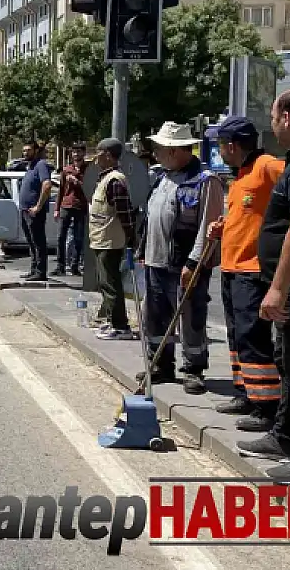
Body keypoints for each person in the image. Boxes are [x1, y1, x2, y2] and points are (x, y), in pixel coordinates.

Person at [237, 87, 290, 479]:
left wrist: (279, 287)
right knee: (289, 362)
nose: (272, 126)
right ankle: (285, 435)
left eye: (273, 117)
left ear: (287, 117)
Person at [204, 116, 285, 433]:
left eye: (221, 145)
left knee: (253, 338)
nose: (219, 151)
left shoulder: (266, 166)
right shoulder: (240, 176)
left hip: (253, 271)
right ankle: (245, 394)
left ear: (232, 145)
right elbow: (249, 216)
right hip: (232, 268)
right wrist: (222, 227)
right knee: (237, 336)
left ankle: (266, 407)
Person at [136, 122, 223, 395]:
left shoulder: (205, 181)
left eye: (159, 149)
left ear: (173, 151)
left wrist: (194, 263)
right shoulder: (161, 177)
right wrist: (142, 250)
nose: (156, 153)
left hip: (185, 263)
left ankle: (193, 370)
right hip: (155, 260)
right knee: (155, 314)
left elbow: (208, 227)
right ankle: (160, 364)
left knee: (190, 317)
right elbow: (151, 218)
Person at [88, 138, 138, 340]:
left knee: (111, 283)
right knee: (105, 282)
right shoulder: (106, 178)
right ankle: (110, 320)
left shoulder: (115, 181)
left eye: (98, 153)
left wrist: (132, 238)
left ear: (108, 155)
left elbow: (125, 214)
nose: (95, 159)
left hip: (110, 241)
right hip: (101, 239)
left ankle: (120, 326)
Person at [18, 141, 52, 281]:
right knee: (31, 242)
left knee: (38, 242)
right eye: (24, 150)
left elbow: (47, 185)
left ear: (36, 150)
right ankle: (34, 270)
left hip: (34, 212)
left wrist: (38, 206)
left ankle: (40, 272)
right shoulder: (30, 167)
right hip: (25, 210)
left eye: (28, 150)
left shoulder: (41, 164)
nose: (25, 153)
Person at [53, 146, 89, 277]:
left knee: (79, 238)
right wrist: (57, 209)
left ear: (83, 153)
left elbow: (90, 188)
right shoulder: (66, 170)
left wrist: (77, 182)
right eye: (73, 152)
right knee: (60, 237)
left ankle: (75, 266)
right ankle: (60, 266)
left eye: (78, 152)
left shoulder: (88, 170)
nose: (75, 154)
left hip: (81, 206)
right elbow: (61, 190)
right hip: (66, 206)